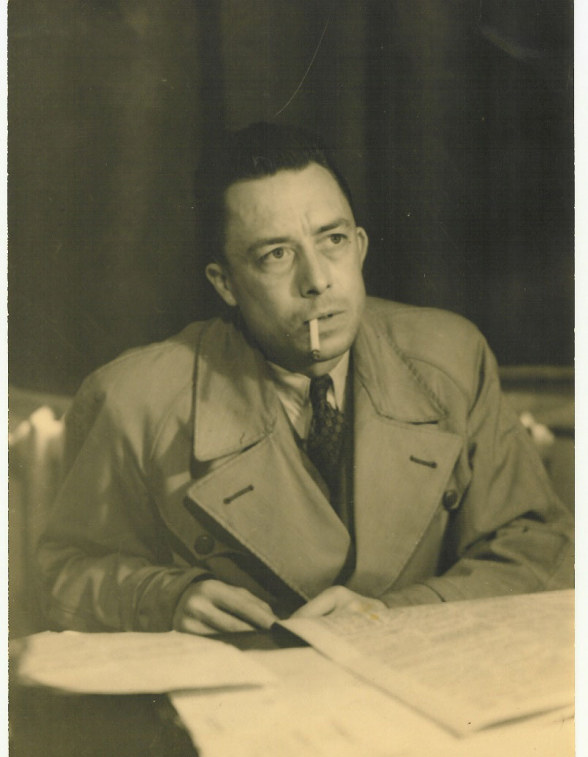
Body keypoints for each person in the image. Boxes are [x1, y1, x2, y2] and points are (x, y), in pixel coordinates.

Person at [38, 122, 573, 634]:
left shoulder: (452, 359)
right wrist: (166, 598)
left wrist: (396, 615)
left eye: (332, 240)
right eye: (276, 254)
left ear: (360, 247)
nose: (317, 280)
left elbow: (537, 548)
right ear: (225, 284)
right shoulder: (135, 401)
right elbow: (62, 573)